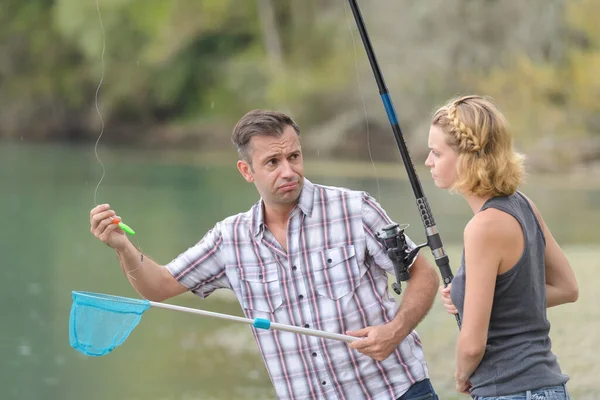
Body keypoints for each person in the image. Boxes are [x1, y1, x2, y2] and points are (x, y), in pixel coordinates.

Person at [90, 109, 442, 400]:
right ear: (247, 171)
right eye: (272, 162)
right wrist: (123, 246)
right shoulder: (230, 239)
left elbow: (423, 274)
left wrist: (395, 331)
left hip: (399, 392)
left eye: (294, 156)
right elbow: (159, 287)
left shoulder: (354, 209)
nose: (288, 171)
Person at [425, 95, 579, 399]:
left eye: (436, 153)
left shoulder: (482, 228)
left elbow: (472, 345)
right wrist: (472, 299)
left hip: (510, 390)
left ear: (466, 157)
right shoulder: (523, 206)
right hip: (549, 387)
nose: (429, 161)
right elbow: (566, 288)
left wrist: (460, 377)